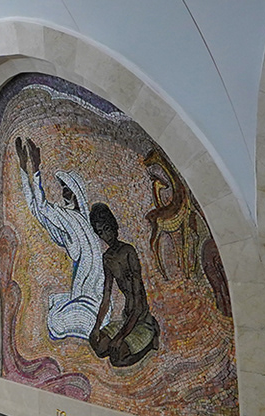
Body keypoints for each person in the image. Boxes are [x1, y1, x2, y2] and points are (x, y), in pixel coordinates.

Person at [16, 136, 105, 340]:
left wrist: (35, 169)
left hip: (90, 300)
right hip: (82, 296)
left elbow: (43, 207)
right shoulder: (70, 223)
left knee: (55, 319)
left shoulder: (74, 219)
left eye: (67, 190)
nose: (64, 193)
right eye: (63, 189)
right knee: (55, 304)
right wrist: (23, 169)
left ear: (75, 194)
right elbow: (36, 209)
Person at [88, 202, 160, 367]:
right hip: (127, 318)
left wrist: (120, 337)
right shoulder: (107, 258)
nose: (106, 236)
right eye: (101, 232)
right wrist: (96, 327)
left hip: (141, 319)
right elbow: (106, 296)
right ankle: (125, 339)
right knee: (98, 346)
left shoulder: (128, 252)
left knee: (117, 358)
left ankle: (150, 342)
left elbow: (138, 303)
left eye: (107, 229)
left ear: (114, 225)